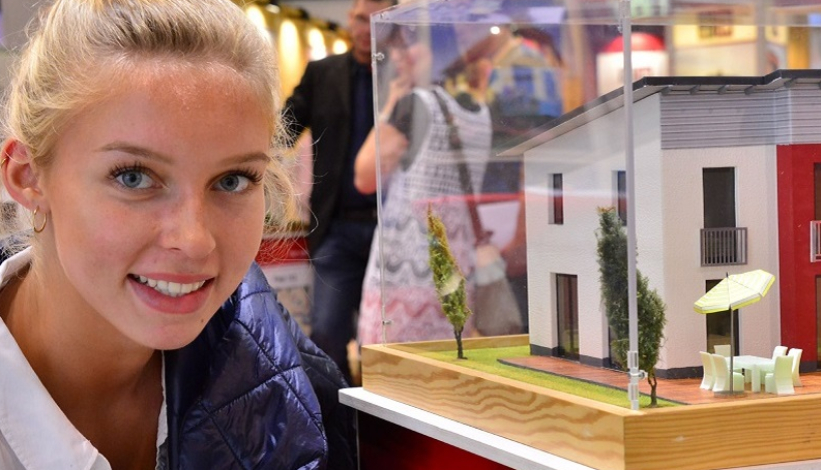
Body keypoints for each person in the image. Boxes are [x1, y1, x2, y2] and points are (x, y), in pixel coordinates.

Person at [0, 1, 355, 469]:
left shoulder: (302, 403)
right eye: (133, 177)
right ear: (27, 177)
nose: (194, 240)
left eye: (232, 180)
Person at [354, 27, 493, 345]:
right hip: (457, 265)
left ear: (439, 51)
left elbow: (365, 176)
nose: (399, 56)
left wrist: (390, 104)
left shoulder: (415, 104)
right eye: (397, 48)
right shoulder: (479, 110)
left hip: (406, 270)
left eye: (410, 46)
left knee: (393, 365)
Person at [283, 0, 396, 383]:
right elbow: (284, 128)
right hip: (337, 228)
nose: (368, 29)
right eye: (362, 19)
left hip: (392, 231)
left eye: (378, 21)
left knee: (387, 338)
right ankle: (340, 415)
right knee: (328, 333)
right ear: (350, 20)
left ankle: (379, 415)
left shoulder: (404, 81)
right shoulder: (323, 73)